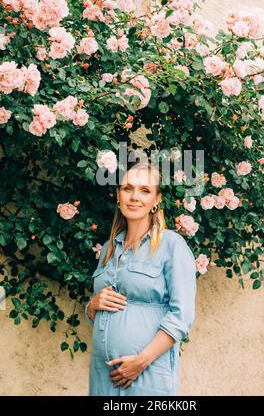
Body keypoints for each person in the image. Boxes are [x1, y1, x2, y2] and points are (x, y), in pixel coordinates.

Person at [85, 156, 197, 396]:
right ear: (118, 195)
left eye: (145, 190)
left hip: (147, 373)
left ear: (156, 200)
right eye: (127, 188)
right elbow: (98, 314)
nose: (134, 197)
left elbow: (182, 317)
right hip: (103, 376)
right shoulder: (108, 248)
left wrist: (140, 361)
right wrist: (92, 305)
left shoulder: (171, 246)